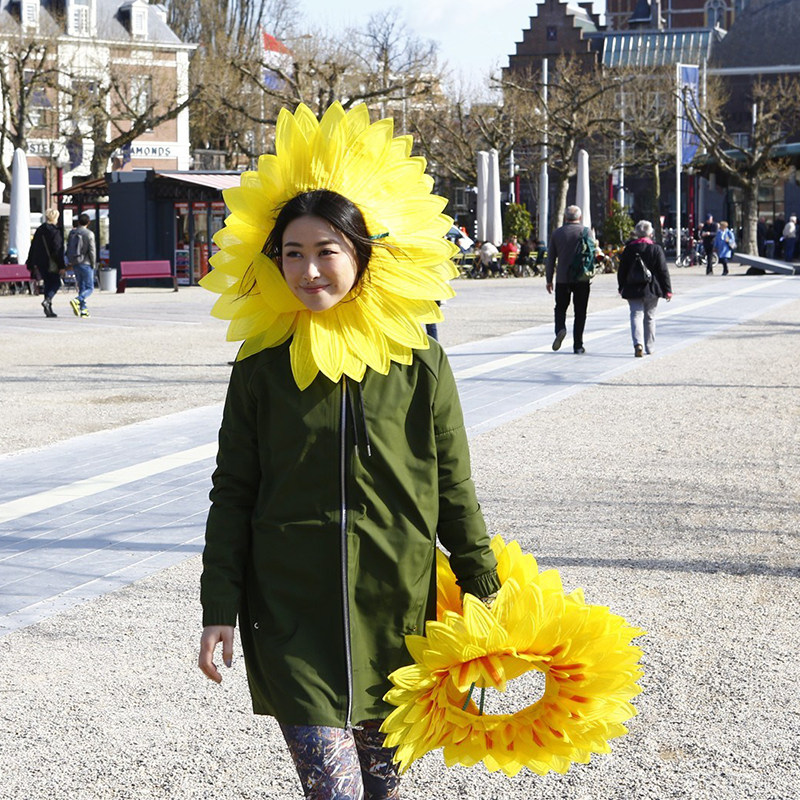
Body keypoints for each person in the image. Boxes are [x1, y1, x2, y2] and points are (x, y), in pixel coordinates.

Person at [197, 106, 500, 800]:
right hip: (290, 615)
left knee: (383, 792)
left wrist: (487, 592)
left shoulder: (420, 363)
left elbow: (453, 486)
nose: (307, 270)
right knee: (332, 792)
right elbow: (233, 490)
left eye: (326, 250)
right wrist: (219, 606)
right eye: (291, 253)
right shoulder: (261, 367)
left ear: (364, 252)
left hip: (396, 613)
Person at [617, 219, 672, 357]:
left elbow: (621, 270)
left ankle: (638, 344)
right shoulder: (656, 249)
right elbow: (663, 271)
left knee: (636, 314)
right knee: (650, 317)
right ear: (650, 233)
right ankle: (650, 347)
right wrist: (667, 290)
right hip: (651, 288)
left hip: (632, 287)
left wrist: (621, 286)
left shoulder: (629, 249)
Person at [545, 204, 594, 354]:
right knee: (580, 312)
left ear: (565, 217)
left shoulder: (557, 233)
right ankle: (578, 345)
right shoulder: (586, 231)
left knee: (560, 308)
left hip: (562, 278)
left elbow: (550, 259)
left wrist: (549, 279)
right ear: (580, 217)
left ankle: (560, 329)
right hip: (581, 278)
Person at [27, 208, 64, 317]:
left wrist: (31, 261)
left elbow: (33, 246)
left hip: (40, 262)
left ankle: (48, 309)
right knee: (56, 283)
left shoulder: (40, 229)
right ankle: (47, 300)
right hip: (52, 262)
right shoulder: (55, 231)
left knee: (48, 283)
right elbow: (57, 249)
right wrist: (61, 265)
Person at [65, 213, 96, 318]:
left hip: (75, 263)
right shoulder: (89, 234)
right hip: (86, 263)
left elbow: (68, 247)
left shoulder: (72, 233)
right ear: (88, 222)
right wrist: (93, 263)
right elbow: (92, 250)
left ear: (78, 222)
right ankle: (77, 300)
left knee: (81, 286)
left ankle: (83, 310)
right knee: (90, 288)